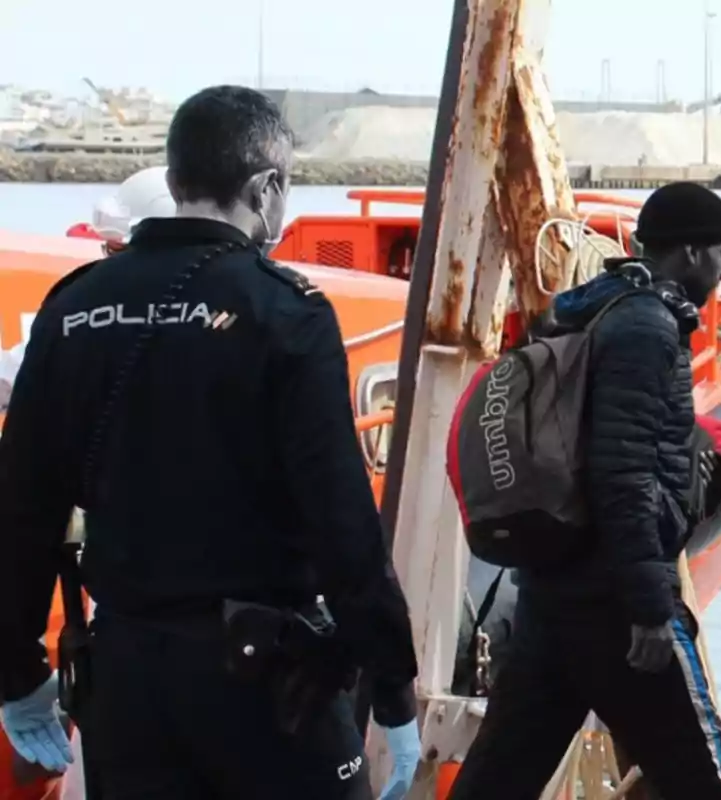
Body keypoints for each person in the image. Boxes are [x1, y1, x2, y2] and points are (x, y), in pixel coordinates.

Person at [0, 85, 420, 799]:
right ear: (268, 188)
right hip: (265, 684)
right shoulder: (283, 313)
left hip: (128, 685)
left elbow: (21, 508)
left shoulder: (72, 309)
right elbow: (343, 524)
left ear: (173, 180)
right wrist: (393, 688)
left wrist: (16, 674)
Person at [447, 182, 721, 800]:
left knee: (498, 777)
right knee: (707, 777)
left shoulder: (585, 310)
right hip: (616, 603)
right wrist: (648, 607)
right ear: (689, 253)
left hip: (552, 592)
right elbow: (624, 473)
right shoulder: (647, 329)